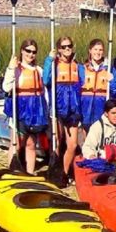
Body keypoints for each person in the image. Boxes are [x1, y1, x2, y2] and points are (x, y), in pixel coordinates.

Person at [2, 39, 48, 175]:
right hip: (20, 111)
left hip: (35, 113)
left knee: (31, 145)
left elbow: (44, 94)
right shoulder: (16, 69)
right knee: (15, 144)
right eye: (28, 51)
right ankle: (12, 171)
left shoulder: (39, 70)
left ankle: (30, 172)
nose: (31, 54)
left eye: (34, 52)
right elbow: (6, 87)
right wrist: (11, 68)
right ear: (22, 51)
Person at [43, 35, 83, 181]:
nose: (67, 49)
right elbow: (46, 80)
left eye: (69, 46)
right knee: (57, 143)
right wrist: (49, 59)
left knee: (72, 145)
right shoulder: (54, 64)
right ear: (59, 49)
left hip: (73, 110)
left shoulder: (77, 66)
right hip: (58, 108)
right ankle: (54, 171)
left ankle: (64, 174)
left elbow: (83, 85)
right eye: (64, 47)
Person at [79, 38, 116, 143]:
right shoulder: (82, 69)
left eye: (100, 50)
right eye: (95, 49)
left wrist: (112, 80)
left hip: (101, 110)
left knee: (100, 141)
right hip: (85, 111)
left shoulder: (109, 69)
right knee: (87, 142)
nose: (98, 52)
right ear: (90, 51)